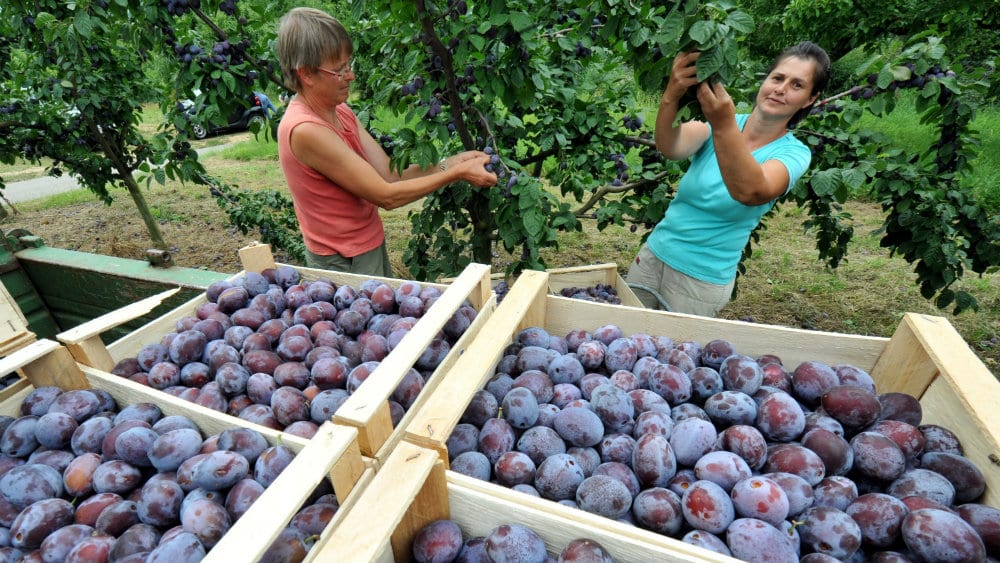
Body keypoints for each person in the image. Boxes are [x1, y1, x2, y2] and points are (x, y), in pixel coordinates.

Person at [275, 7, 497, 276]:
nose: (351, 76)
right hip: (343, 260)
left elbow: (389, 174)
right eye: (339, 70)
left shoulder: (340, 110)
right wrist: (456, 173)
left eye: (349, 65)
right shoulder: (306, 130)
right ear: (306, 74)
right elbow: (386, 196)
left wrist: (448, 163)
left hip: (366, 246)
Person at [625, 42, 830, 317]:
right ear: (765, 80)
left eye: (797, 85)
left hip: (699, 282)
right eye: (778, 78)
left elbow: (751, 191)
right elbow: (670, 146)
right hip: (652, 257)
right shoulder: (716, 124)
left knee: (674, 356)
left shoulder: (793, 154)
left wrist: (723, 124)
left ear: (809, 99)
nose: (781, 89)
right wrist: (671, 95)